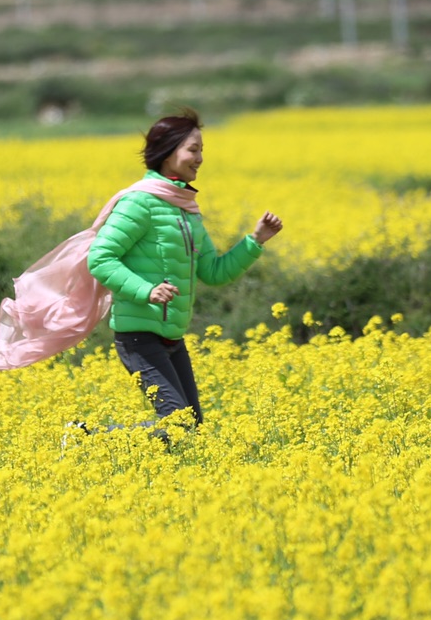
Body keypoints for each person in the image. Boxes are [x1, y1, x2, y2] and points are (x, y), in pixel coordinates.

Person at [85, 108, 283, 433]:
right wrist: (146, 291)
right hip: (139, 336)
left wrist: (256, 241)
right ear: (167, 153)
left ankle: (90, 441)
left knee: (191, 428)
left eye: (201, 150)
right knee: (180, 427)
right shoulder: (140, 203)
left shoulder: (186, 210)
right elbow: (101, 258)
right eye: (193, 149)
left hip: (171, 337)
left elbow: (214, 272)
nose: (200, 158)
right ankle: (86, 440)